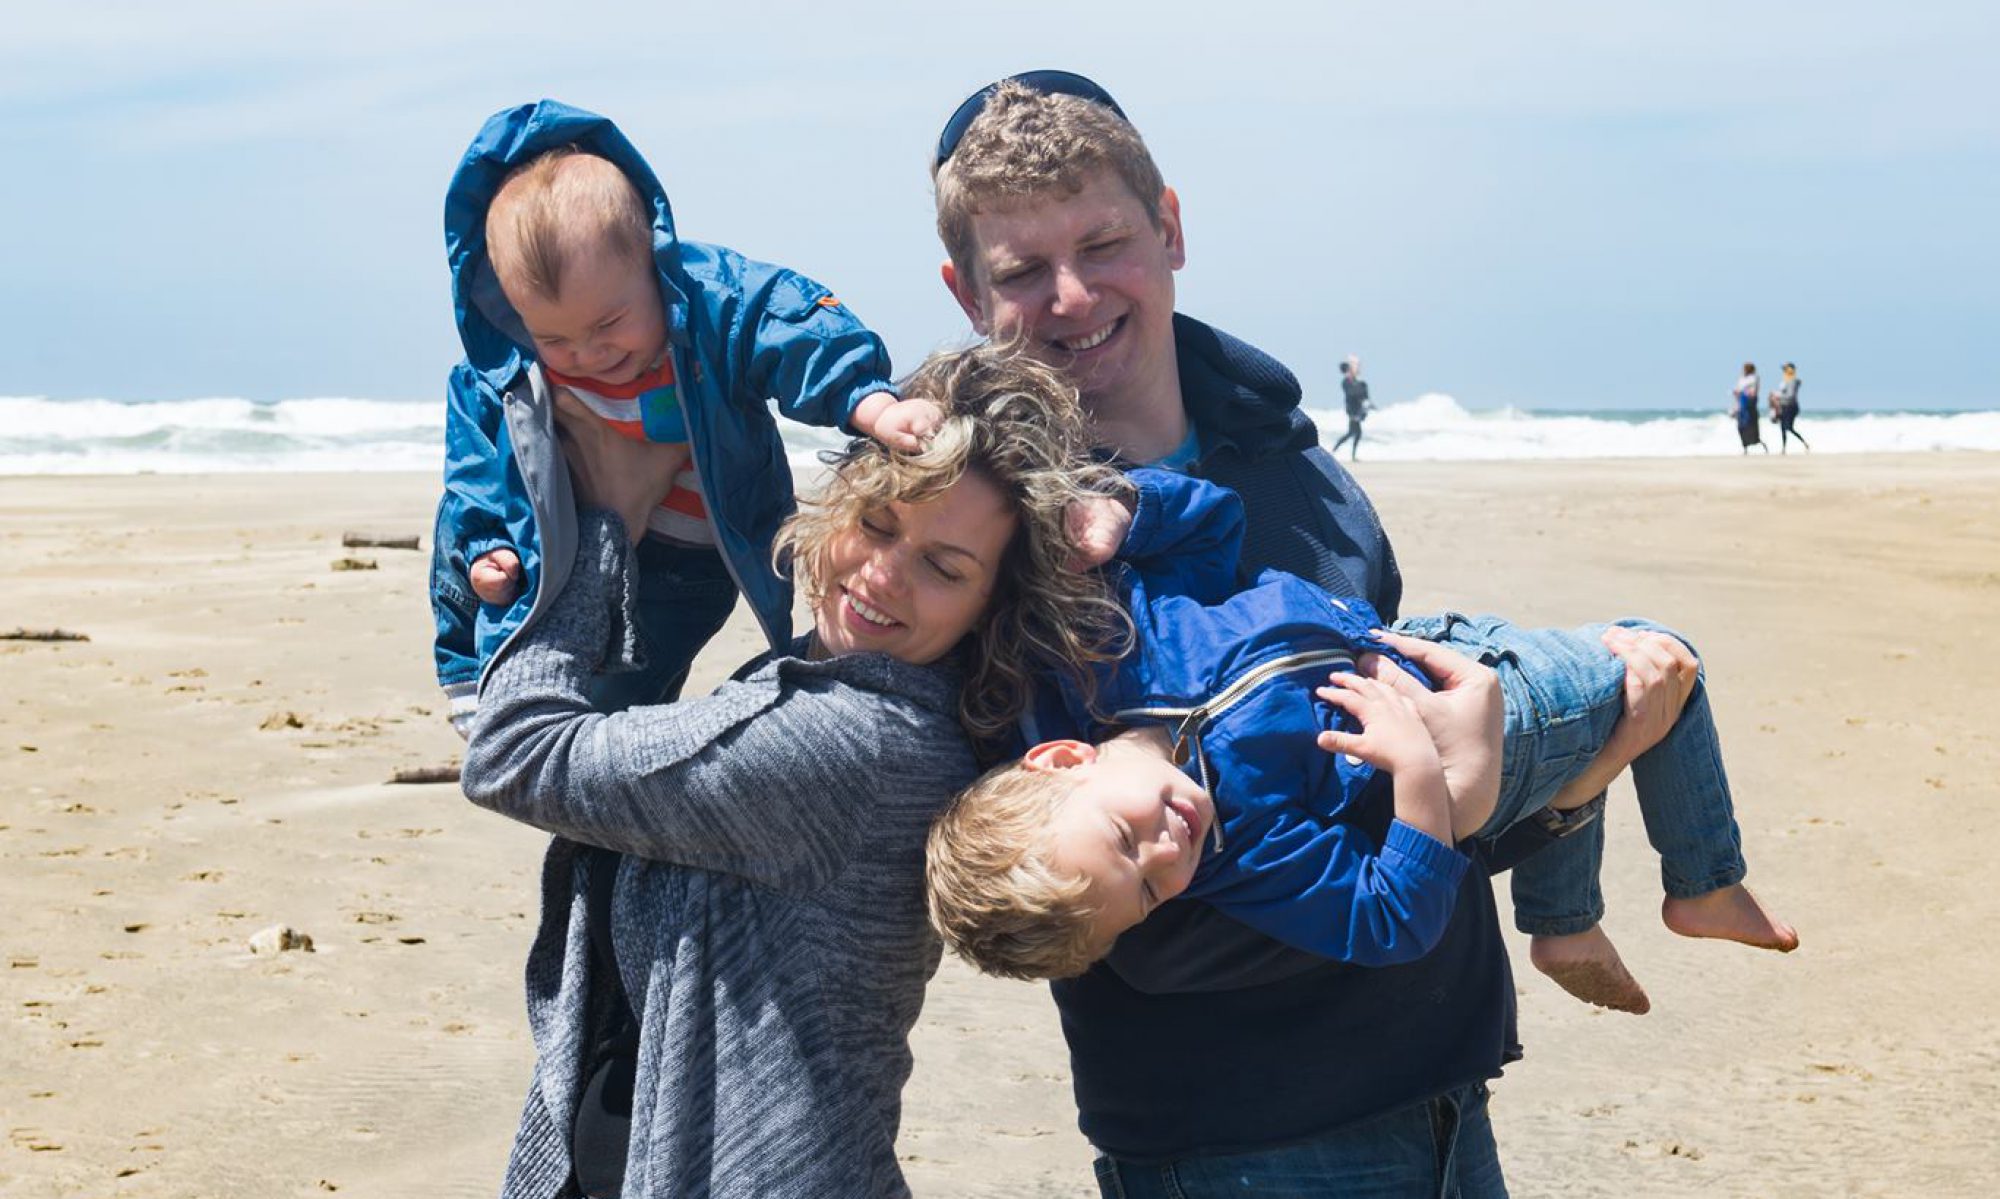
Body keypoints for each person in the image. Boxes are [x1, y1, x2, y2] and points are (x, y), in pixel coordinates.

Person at [929, 70, 1586, 1195]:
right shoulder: (970, 529)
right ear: (961, 290)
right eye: (1022, 271)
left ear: (1169, 228)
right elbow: (1100, 905)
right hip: (1233, 1137)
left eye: (1102, 244)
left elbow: (1360, 761)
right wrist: (1471, 797)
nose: (1073, 295)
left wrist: (1533, 790)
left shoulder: (1298, 470)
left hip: (1440, 1077)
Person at [458, 344, 1126, 1197]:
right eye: (879, 524)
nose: (882, 575)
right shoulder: (831, 682)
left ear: (992, 606)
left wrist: (605, 528)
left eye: (944, 568)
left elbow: (516, 750)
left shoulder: (849, 744)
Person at [928, 462, 1797, 1017]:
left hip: (1425, 638)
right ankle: (1704, 882)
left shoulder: (1117, 643)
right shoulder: (1248, 848)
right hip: (1480, 720)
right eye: (1154, 892)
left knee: (1617, 701)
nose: (1169, 849)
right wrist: (1423, 773)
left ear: (1063, 757)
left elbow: (1213, 523)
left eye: (1127, 838)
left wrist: (1126, 510)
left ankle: (1567, 921)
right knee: (1657, 649)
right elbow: (1390, 919)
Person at [429, 99, 939, 733]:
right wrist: (485, 546)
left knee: (627, 705)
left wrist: (869, 402)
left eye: (609, 324)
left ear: (652, 255)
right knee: (505, 602)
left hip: (688, 560)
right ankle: (474, 680)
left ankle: (607, 767)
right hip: (562, 548)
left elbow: (789, 324)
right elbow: (473, 473)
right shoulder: (502, 366)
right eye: (555, 338)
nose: (588, 354)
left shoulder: (709, 305)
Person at [1331, 354, 1370, 460]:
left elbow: (1363, 395)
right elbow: (1351, 394)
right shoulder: (1346, 382)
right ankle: (1337, 452)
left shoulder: (1356, 382)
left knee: (1353, 433)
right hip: (1352, 410)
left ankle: (1337, 452)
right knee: (1354, 433)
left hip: (1357, 410)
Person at [1772, 362, 1809, 453]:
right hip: (1783, 406)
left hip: (1790, 406)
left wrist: (1778, 396)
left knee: (1789, 427)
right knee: (1782, 428)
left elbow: (1790, 395)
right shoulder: (1785, 381)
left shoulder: (1793, 381)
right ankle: (1784, 448)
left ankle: (1804, 443)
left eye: (1785, 369)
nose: (1784, 371)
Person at [1733, 361, 1768, 454]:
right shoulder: (1742, 378)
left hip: (1749, 403)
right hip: (1742, 403)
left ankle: (1755, 442)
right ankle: (1745, 446)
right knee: (1741, 425)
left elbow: (1754, 390)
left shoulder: (1754, 378)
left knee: (1750, 423)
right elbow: (1738, 390)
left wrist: (1749, 393)